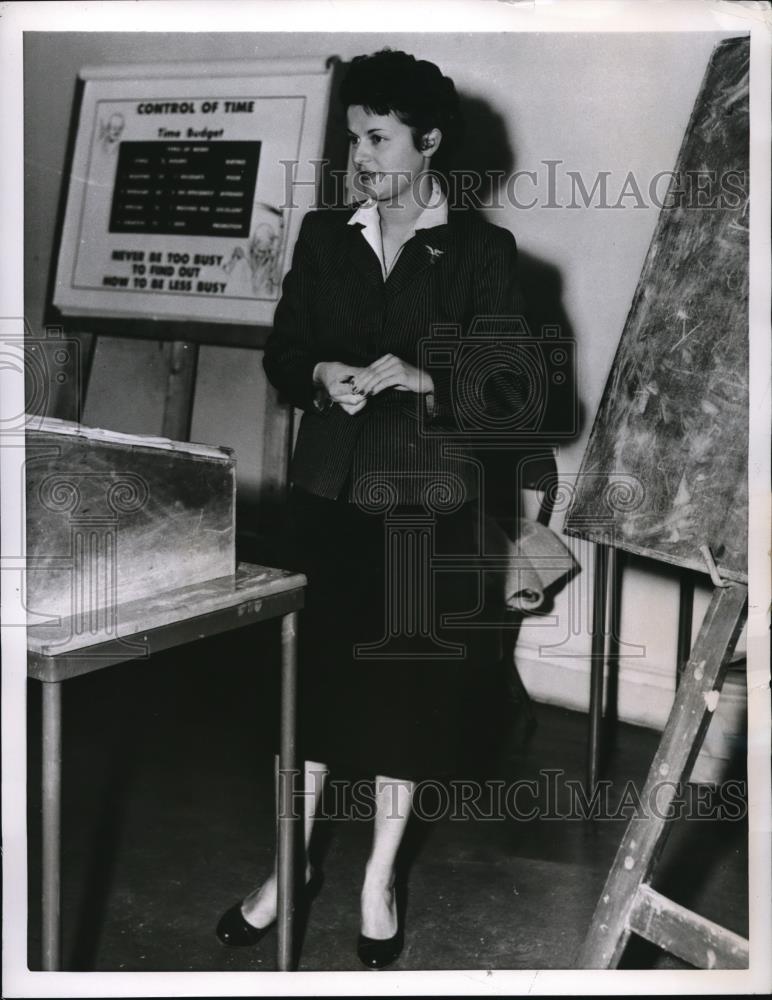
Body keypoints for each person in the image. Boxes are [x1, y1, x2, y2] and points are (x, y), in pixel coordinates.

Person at [216, 47, 530, 969]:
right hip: (326, 496)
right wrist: (322, 377)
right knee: (304, 701)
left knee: (401, 707)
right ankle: (288, 867)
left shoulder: (482, 253)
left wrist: (429, 380)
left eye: (380, 138)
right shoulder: (323, 236)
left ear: (429, 143)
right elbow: (284, 355)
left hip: (425, 510)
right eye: (355, 137)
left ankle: (378, 879)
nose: (362, 155)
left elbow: (515, 392)